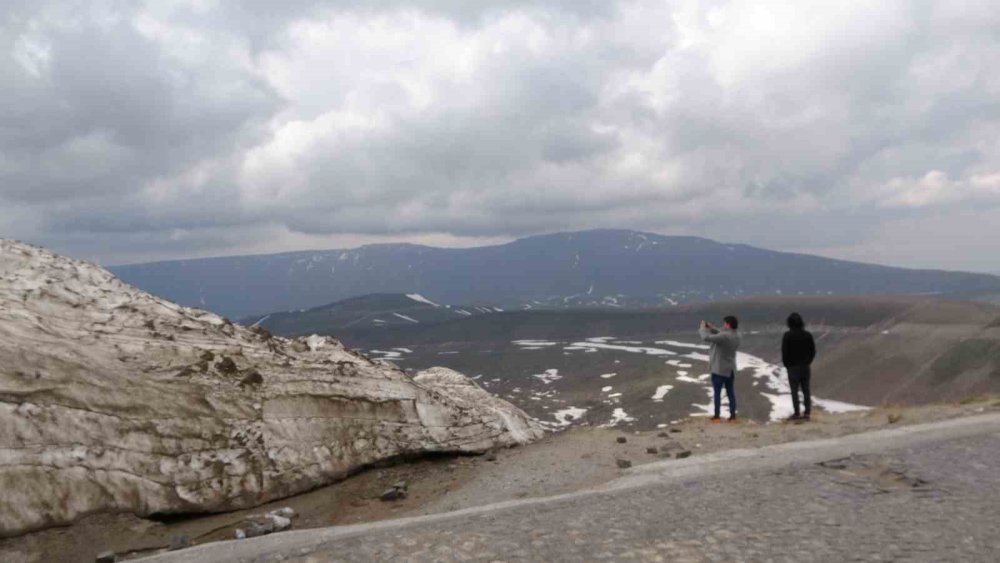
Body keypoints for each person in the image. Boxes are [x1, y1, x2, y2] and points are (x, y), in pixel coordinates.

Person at [699, 315, 742, 423]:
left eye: (724, 324)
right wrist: (711, 327)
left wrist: (702, 328)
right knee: (730, 393)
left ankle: (717, 416)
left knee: (717, 393)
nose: (723, 326)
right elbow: (721, 333)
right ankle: (732, 417)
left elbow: (706, 338)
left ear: (728, 324)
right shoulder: (737, 335)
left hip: (718, 369)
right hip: (729, 369)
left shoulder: (724, 337)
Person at [781, 312, 816, 421]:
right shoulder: (807, 335)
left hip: (792, 367)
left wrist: (787, 365)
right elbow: (813, 351)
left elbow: (784, 352)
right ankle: (807, 413)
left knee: (794, 390)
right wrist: (808, 361)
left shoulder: (787, 335)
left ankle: (797, 413)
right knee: (806, 389)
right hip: (805, 366)